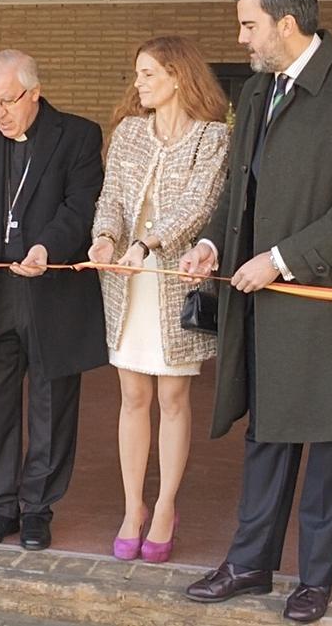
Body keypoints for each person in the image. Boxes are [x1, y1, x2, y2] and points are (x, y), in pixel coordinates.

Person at [177, 0, 332, 623]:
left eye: (248, 25)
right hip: (267, 304)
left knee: (329, 447)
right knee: (268, 435)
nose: (240, 37)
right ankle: (249, 562)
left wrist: (280, 259)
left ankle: (315, 579)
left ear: (286, 24)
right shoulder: (259, 89)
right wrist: (215, 244)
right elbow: (236, 191)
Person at [0, 49, 106, 551]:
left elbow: (81, 207)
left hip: (50, 290)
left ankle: (38, 508)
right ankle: (2, 506)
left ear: (34, 92)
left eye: (7, 100)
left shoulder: (77, 135)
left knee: (52, 405)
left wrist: (46, 248)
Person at [85, 35, 230, 563]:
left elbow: (200, 204)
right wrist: (104, 236)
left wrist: (147, 245)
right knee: (132, 399)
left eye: (148, 73)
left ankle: (165, 506)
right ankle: (132, 508)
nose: (139, 83)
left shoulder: (213, 138)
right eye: (138, 73)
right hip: (125, 281)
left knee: (172, 399)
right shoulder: (127, 133)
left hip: (173, 281)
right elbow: (112, 198)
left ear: (177, 76)